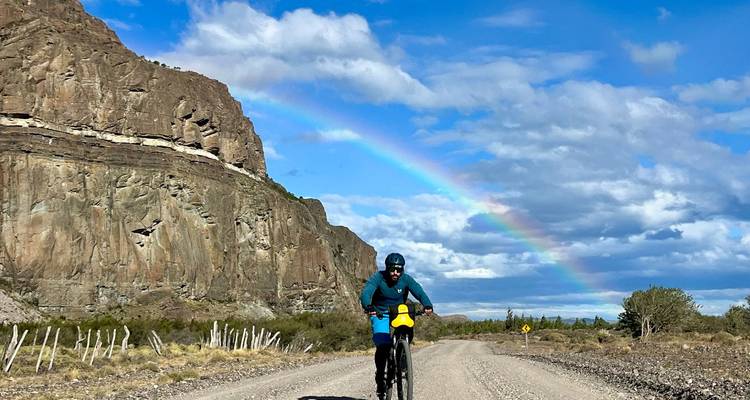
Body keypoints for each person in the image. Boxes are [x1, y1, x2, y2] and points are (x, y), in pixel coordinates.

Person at [360, 252, 433, 400]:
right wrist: (368, 305)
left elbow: (418, 291)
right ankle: (381, 376)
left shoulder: (406, 279)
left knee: (407, 330)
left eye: (399, 270)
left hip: (399, 313)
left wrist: (427, 304)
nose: (395, 273)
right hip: (380, 313)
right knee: (383, 346)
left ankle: (402, 357)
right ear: (387, 268)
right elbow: (367, 291)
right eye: (393, 269)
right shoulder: (378, 277)